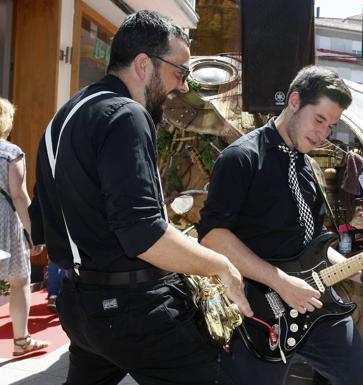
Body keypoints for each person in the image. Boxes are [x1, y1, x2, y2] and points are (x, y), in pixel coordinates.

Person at [29, 11, 251, 384]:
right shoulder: (127, 115)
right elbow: (143, 235)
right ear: (144, 64)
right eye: (180, 72)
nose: (183, 86)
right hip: (133, 310)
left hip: (80, 305)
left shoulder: (66, 114)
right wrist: (221, 267)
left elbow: (39, 221)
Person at [198, 66, 363, 385]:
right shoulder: (242, 158)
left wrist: (358, 271)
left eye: (331, 126)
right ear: (294, 101)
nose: (323, 134)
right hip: (259, 314)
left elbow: (316, 247)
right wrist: (281, 283)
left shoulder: (312, 170)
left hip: (318, 309)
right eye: (319, 120)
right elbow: (212, 237)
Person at [0, 97, 49, 356]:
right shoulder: (11, 153)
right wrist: (34, 231)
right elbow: (18, 196)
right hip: (5, 223)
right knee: (19, 281)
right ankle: (21, 342)